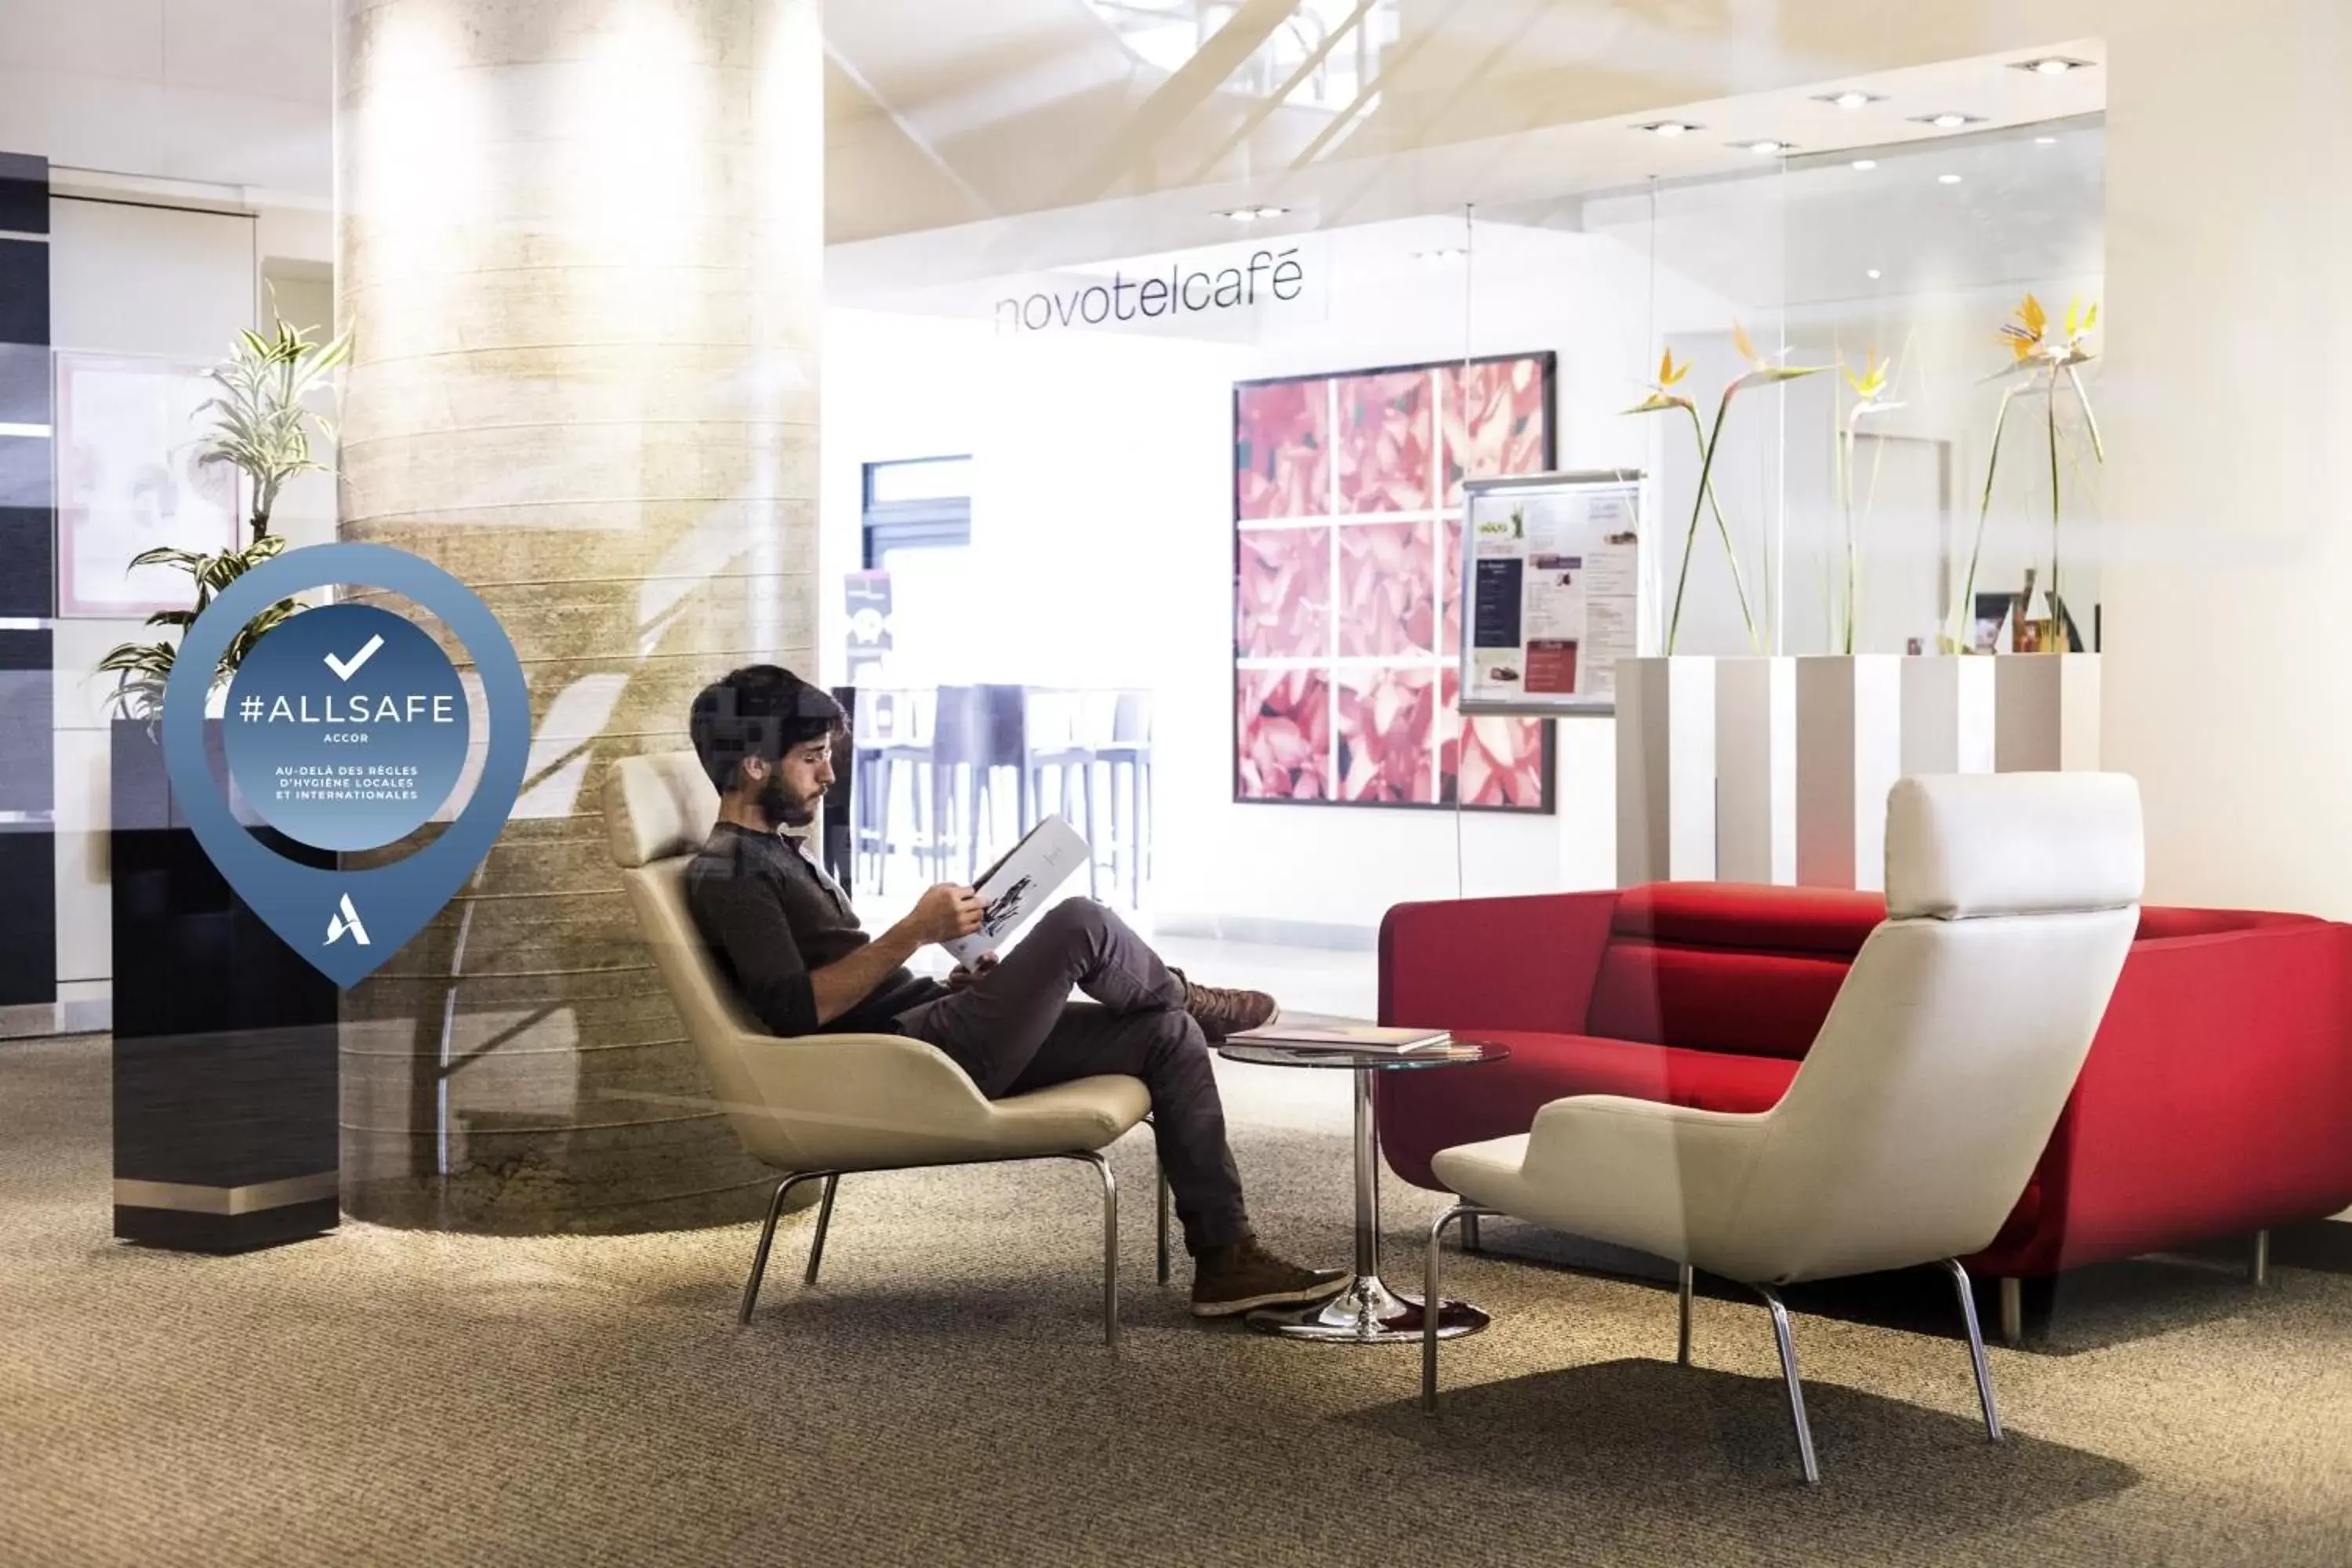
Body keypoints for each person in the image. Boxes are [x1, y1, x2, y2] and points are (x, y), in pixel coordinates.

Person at [681, 665, 1348, 1319]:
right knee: (1079, 923)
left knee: (1164, 1037)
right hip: (907, 1061)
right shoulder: (731, 872)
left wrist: (951, 980)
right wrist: (916, 930)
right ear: (754, 766)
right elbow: (794, 1013)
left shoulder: (776, 851)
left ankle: (1226, 1258)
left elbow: (846, 981)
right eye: (811, 757)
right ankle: (1189, 997)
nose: (829, 774)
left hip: (927, 1025)